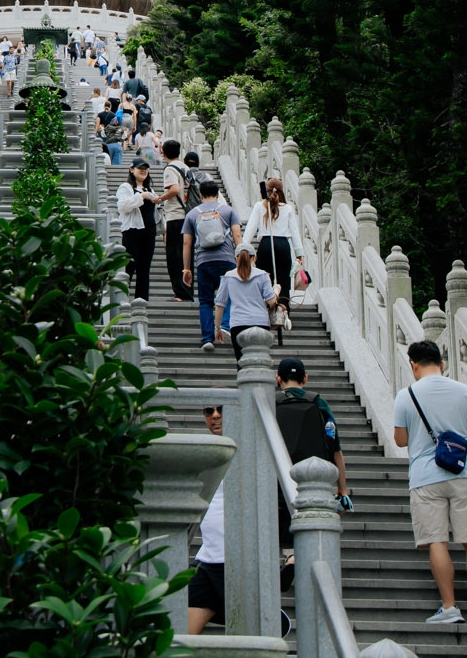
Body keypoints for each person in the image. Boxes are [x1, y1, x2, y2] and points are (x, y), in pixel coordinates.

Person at [394, 340, 467, 625]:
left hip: (425, 478)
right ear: (441, 363)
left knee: (437, 541)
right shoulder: (465, 391)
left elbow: (401, 440)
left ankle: (450, 607)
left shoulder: (406, 395)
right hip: (462, 474)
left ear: (414, 364)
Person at [274, 355, 351, 561]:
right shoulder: (319, 403)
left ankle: (290, 557)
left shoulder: (271, 403)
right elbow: (336, 449)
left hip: (278, 477)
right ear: (305, 379)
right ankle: (302, 559)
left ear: (278, 379)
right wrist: (342, 490)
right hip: (315, 477)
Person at [182, 178, 242, 351]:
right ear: (217, 194)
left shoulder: (192, 214)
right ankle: (224, 326)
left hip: (204, 262)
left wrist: (186, 268)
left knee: (206, 301)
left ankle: (207, 338)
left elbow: (186, 244)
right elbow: (237, 236)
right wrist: (243, 258)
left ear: (200, 195)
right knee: (230, 296)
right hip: (227, 260)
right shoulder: (229, 211)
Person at [188, 403, 227, 634]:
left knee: (247, 635)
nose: (215, 416)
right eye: (208, 411)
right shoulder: (205, 454)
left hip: (237, 563)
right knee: (183, 638)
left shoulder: (252, 450)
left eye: (221, 409)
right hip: (207, 560)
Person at [247, 177, 302, 338]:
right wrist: (300, 253)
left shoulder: (260, 206)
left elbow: (250, 228)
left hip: (265, 245)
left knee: (265, 279)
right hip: (283, 245)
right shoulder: (288, 208)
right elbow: (294, 232)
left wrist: (244, 248)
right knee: (284, 280)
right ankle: (283, 311)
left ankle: (265, 311)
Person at [216, 241, 278, 357]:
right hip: (260, 322)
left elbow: (220, 305)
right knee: (261, 360)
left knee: (241, 362)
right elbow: (271, 301)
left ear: (236, 258)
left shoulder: (228, 277)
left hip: (238, 323)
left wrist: (218, 328)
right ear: (254, 257)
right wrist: (276, 291)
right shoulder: (262, 275)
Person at [156, 141, 191, 301]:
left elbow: (175, 189)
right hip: (188, 215)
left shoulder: (170, 169)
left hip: (176, 216)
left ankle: (180, 293)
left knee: (174, 255)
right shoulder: (185, 167)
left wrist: (160, 198)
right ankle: (187, 291)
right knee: (187, 256)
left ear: (163, 152)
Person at [116, 160, 155, 299]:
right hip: (132, 231)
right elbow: (122, 206)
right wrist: (141, 197)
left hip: (149, 232)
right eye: (140, 168)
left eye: (146, 168)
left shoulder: (149, 189)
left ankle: (142, 300)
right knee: (129, 266)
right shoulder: (126, 187)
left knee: (144, 269)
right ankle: (122, 298)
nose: (143, 170)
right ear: (131, 170)